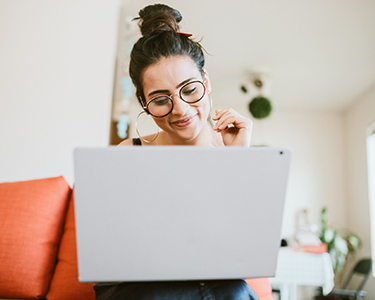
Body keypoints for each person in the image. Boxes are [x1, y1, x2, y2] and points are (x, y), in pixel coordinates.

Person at [94, 3, 257, 300]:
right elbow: (111, 252)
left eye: (190, 89)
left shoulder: (232, 148)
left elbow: (242, 252)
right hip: (142, 286)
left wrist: (235, 163)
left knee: (235, 291)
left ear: (206, 83)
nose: (180, 109)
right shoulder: (129, 153)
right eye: (160, 99)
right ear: (144, 103)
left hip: (218, 285)